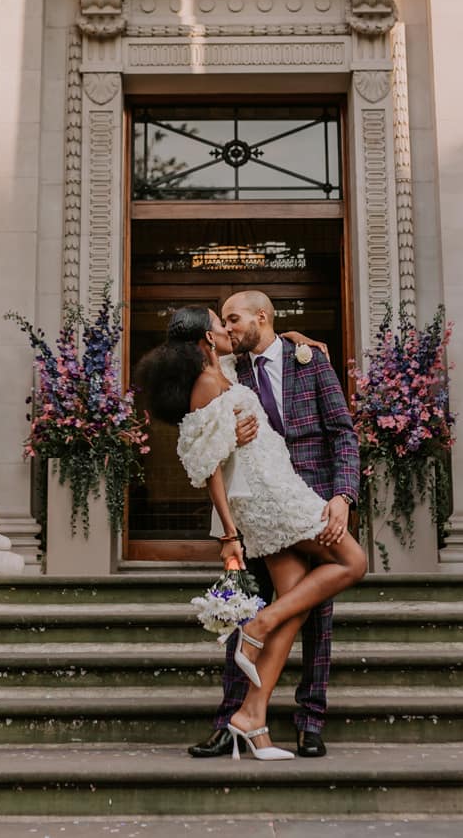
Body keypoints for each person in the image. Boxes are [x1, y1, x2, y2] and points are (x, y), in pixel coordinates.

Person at [136, 301, 365, 762]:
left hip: (301, 489)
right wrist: (229, 535)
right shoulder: (215, 371)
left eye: (232, 317)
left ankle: (254, 718)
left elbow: (342, 432)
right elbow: (206, 456)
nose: (227, 327)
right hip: (269, 497)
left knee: (296, 606)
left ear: (262, 317)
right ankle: (241, 688)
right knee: (351, 565)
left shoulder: (289, 359)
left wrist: (344, 493)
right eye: (221, 322)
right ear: (207, 337)